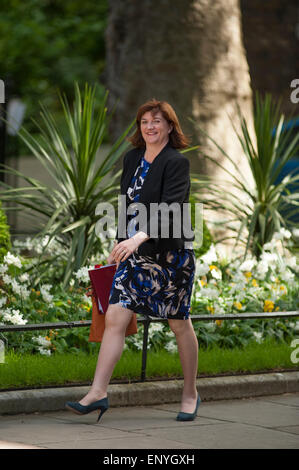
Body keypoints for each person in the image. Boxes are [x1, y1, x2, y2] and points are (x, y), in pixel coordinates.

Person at [66, 99, 200, 422]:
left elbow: (172, 209)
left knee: (178, 323)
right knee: (115, 317)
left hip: (170, 257)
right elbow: (126, 207)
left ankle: (190, 393)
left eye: (157, 121)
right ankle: (98, 392)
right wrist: (117, 247)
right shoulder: (132, 159)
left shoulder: (176, 163)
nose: (150, 127)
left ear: (170, 126)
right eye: (144, 122)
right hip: (136, 256)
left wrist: (138, 238)